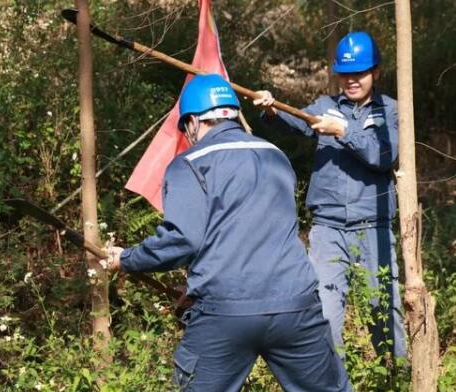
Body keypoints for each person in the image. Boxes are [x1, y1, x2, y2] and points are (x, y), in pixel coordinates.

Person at [103, 73, 351, 391]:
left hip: (225, 313)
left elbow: (183, 239)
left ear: (193, 122)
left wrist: (127, 258)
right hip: (296, 305)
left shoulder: (189, 164)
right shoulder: (275, 155)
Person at [254, 31, 407, 360]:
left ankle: (395, 376)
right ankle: (329, 382)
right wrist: (270, 109)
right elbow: (292, 119)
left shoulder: (392, 111)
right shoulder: (324, 107)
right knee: (324, 314)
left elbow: (385, 156)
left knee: (385, 309)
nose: (352, 80)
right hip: (328, 229)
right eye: (346, 74)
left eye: (360, 73)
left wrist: (343, 132)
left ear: (375, 73)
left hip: (373, 228)